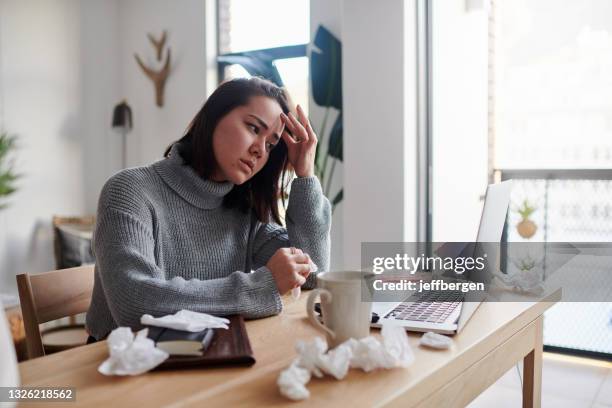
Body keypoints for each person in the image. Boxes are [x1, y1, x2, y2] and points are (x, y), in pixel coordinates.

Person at [85, 77, 331, 341]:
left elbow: (312, 275)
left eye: (271, 144)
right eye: (253, 127)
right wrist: (262, 286)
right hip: (123, 365)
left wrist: (305, 175)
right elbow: (134, 305)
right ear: (213, 117)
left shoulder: (244, 211)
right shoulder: (130, 191)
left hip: (204, 357)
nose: (260, 149)